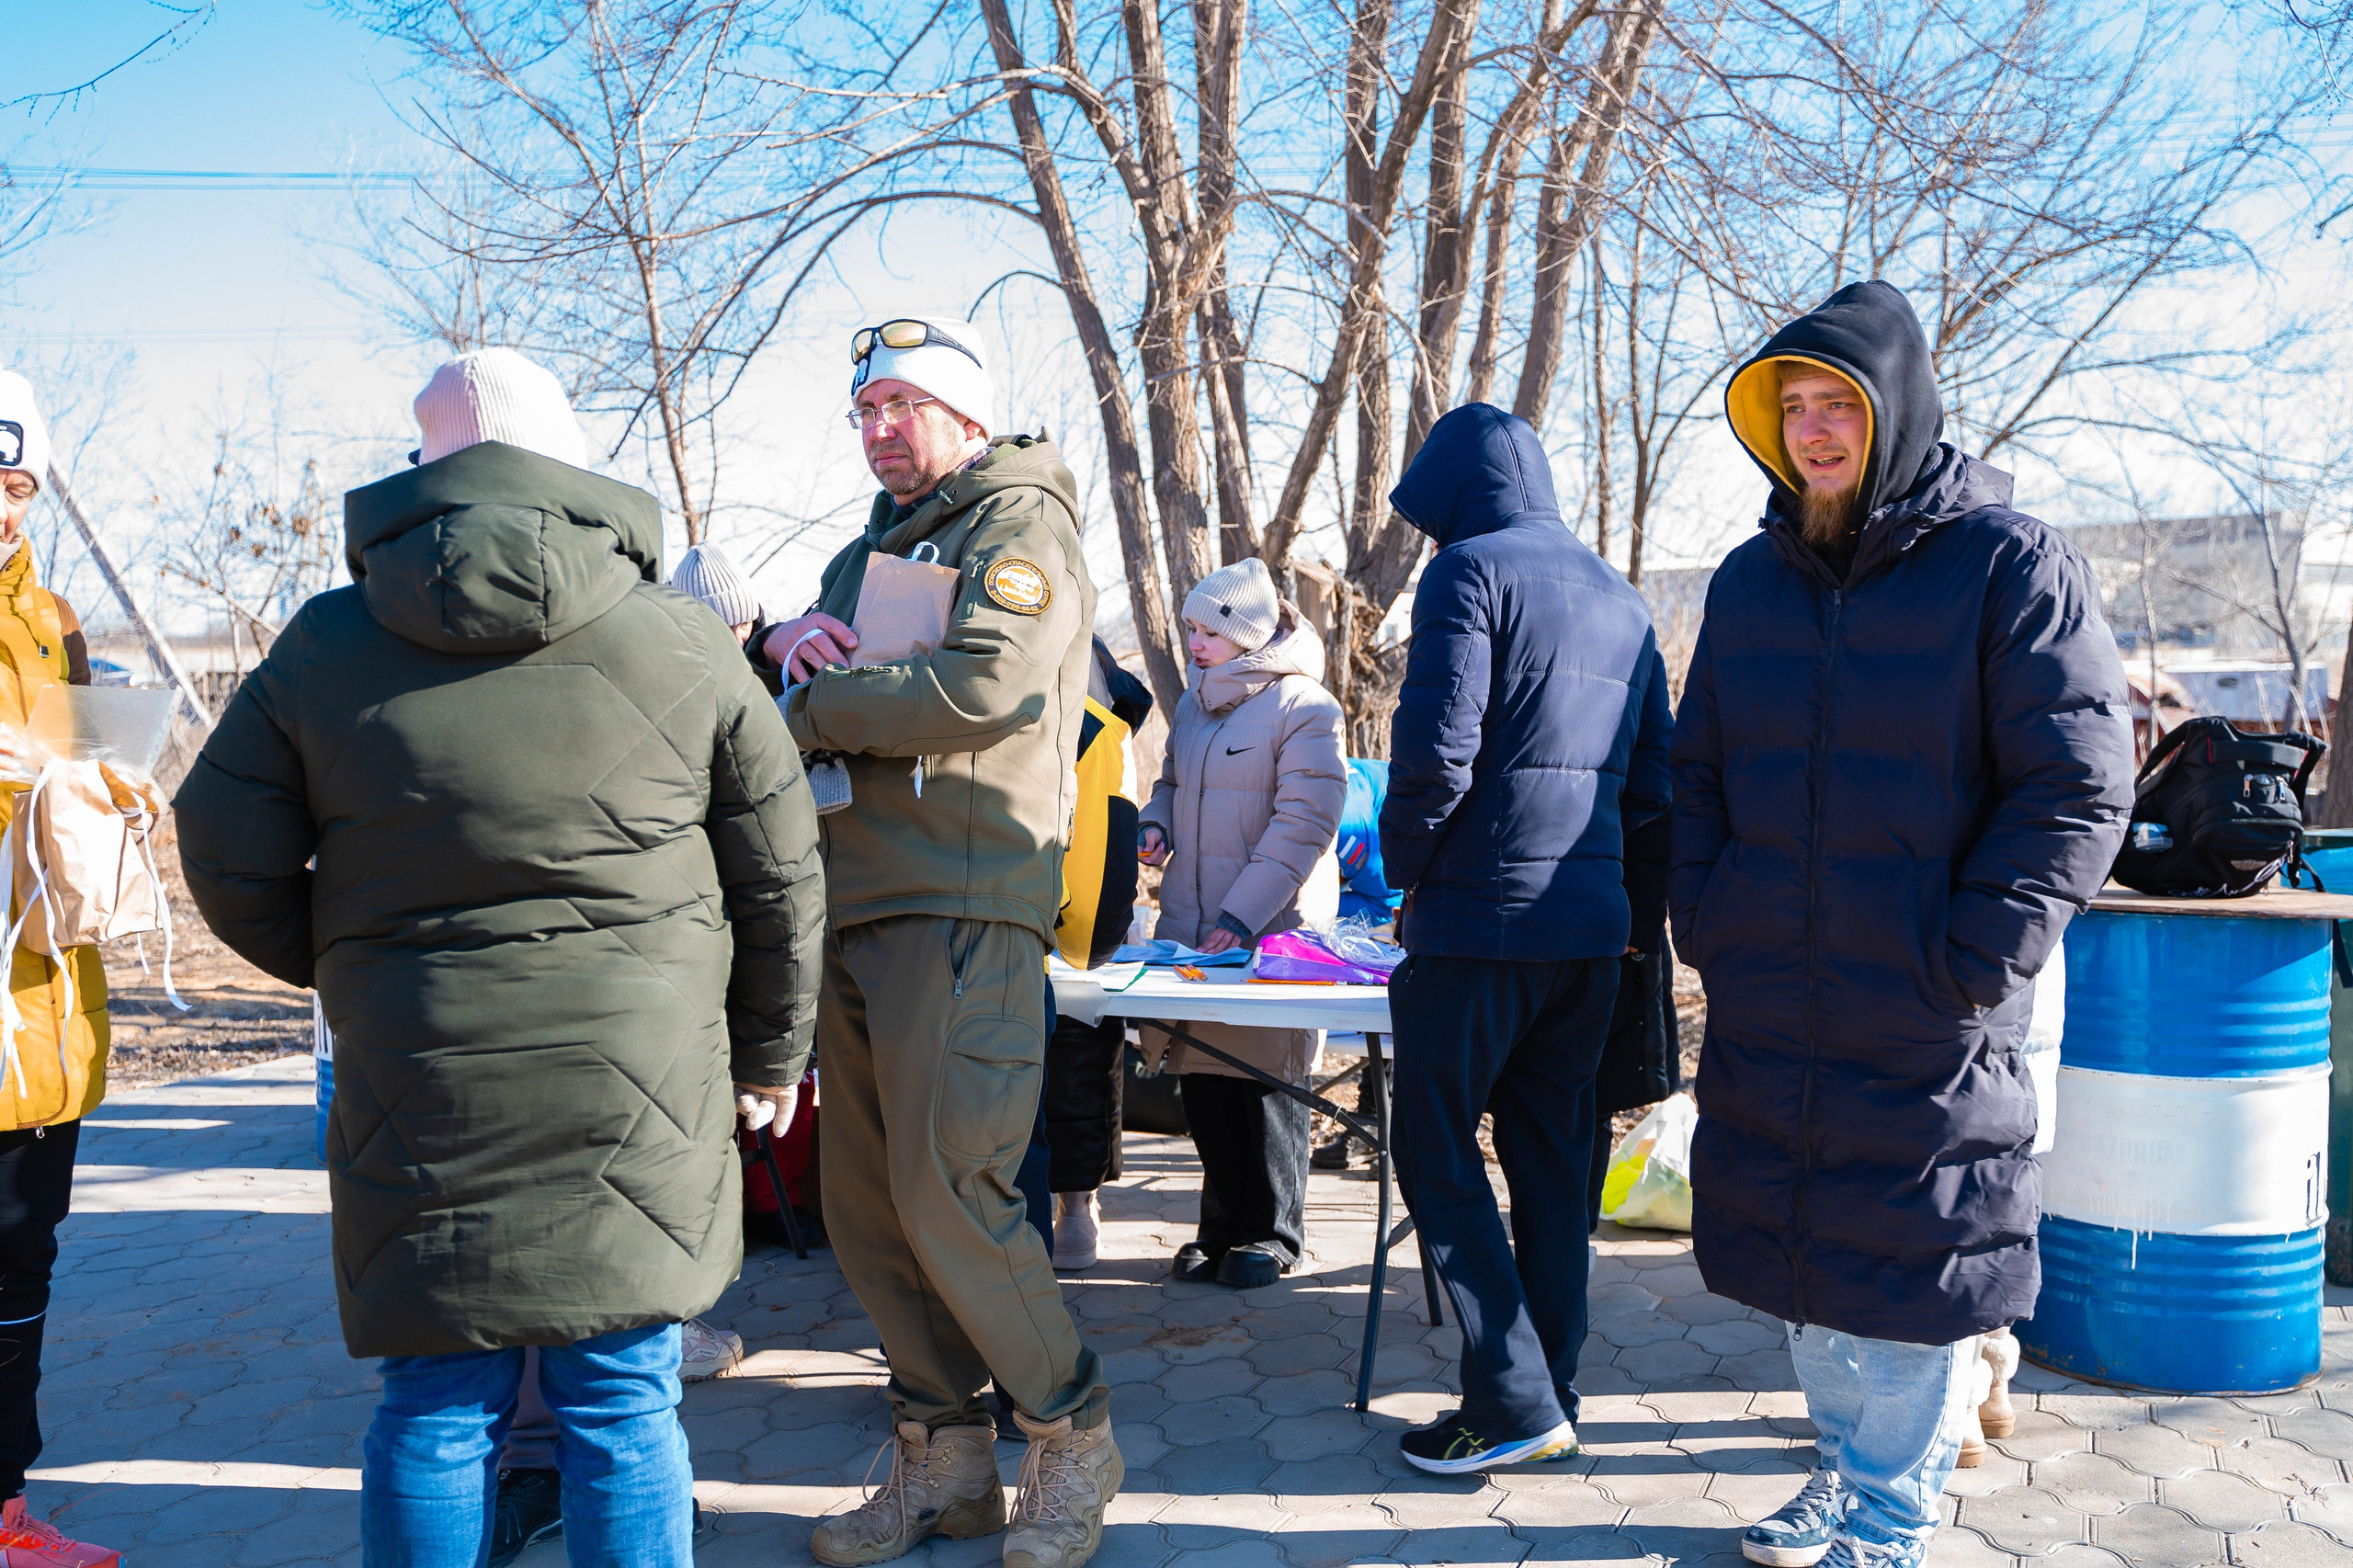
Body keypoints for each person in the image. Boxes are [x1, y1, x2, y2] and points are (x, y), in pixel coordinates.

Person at [175, 347, 826, 1568]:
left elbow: (220, 844)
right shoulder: (684, 647)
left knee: (433, 1402)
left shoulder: (324, 646)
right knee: (624, 1402)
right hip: (635, 1083)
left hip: (421, 1072)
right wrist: (771, 1045)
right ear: (568, 463)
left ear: (426, 466)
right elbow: (780, 875)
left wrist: (350, 961)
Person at [1670, 281, 2131, 1568]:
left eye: (1839, 406)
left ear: (1899, 409)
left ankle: (1890, 1519)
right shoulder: (1752, 581)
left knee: (1912, 1278)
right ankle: (1843, 1475)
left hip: (1929, 1000)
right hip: (1774, 987)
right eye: (1794, 409)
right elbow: (1693, 767)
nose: (1814, 431)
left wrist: (1977, 956)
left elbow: (2079, 780)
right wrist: (1709, 916)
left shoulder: (2008, 563)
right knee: (1806, 1266)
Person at [749, 315, 1118, 1568]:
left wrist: (807, 711)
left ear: (965, 414)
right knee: (866, 1207)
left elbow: (986, 684)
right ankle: (946, 1461)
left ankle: (1071, 1436)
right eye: (863, 410)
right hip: (858, 905)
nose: (878, 428)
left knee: (948, 1191)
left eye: (900, 404)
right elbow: (830, 662)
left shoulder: (1021, 523)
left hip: (964, 903)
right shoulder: (871, 549)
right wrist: (791, 643)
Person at [1378, 402, 1673, 1475]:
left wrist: (1404, 872)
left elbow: (1435, 752)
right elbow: (1654, 788)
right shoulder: (1622, 597)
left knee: (1435, 1147)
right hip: (1588, 935)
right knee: (1553, 1163)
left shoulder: (1467, 573)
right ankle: (1554, 1389)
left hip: (1477, 922)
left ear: (1454, 493)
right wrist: (1635, 922)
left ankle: (1507, 1397)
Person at [479, 537, 767, 1567]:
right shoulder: (665, 687)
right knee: (609, 1344)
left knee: (471, 1357)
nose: (736, 641)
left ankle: (546, 1469)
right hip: (630, 1028)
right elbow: (769, 869)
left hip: (532, 1030)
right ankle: (565, 1476)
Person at [1134, 556, 1345, 1288]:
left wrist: (1241, 915)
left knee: (1264, 1080)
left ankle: (1272, 1235)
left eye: (1207, 632)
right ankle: (1220, 1228)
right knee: (1204, 1078)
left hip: (1271, 931)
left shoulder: (1305, 706)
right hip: (1195, 926)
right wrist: (1154, 824)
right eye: (1190, 628)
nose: (1194, 643)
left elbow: (1304, 824)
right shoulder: (1195, 703)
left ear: (1248, 633)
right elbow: (1167, 781)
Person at [0, 372, 124, 1568]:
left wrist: (107, 779)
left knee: (21, 1262)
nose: (0, 501)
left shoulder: (56, 617)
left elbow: (78, 759)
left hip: (46, 992)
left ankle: (6, 1508)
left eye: (17, 478)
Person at [1046, 636, 1154, 1271]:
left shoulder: (1099, 726)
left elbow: (1112, 840)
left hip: (1072, 928)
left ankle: (1075, 1206)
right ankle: (1070, 1207)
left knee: (1078, 1053)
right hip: (1040, 922)